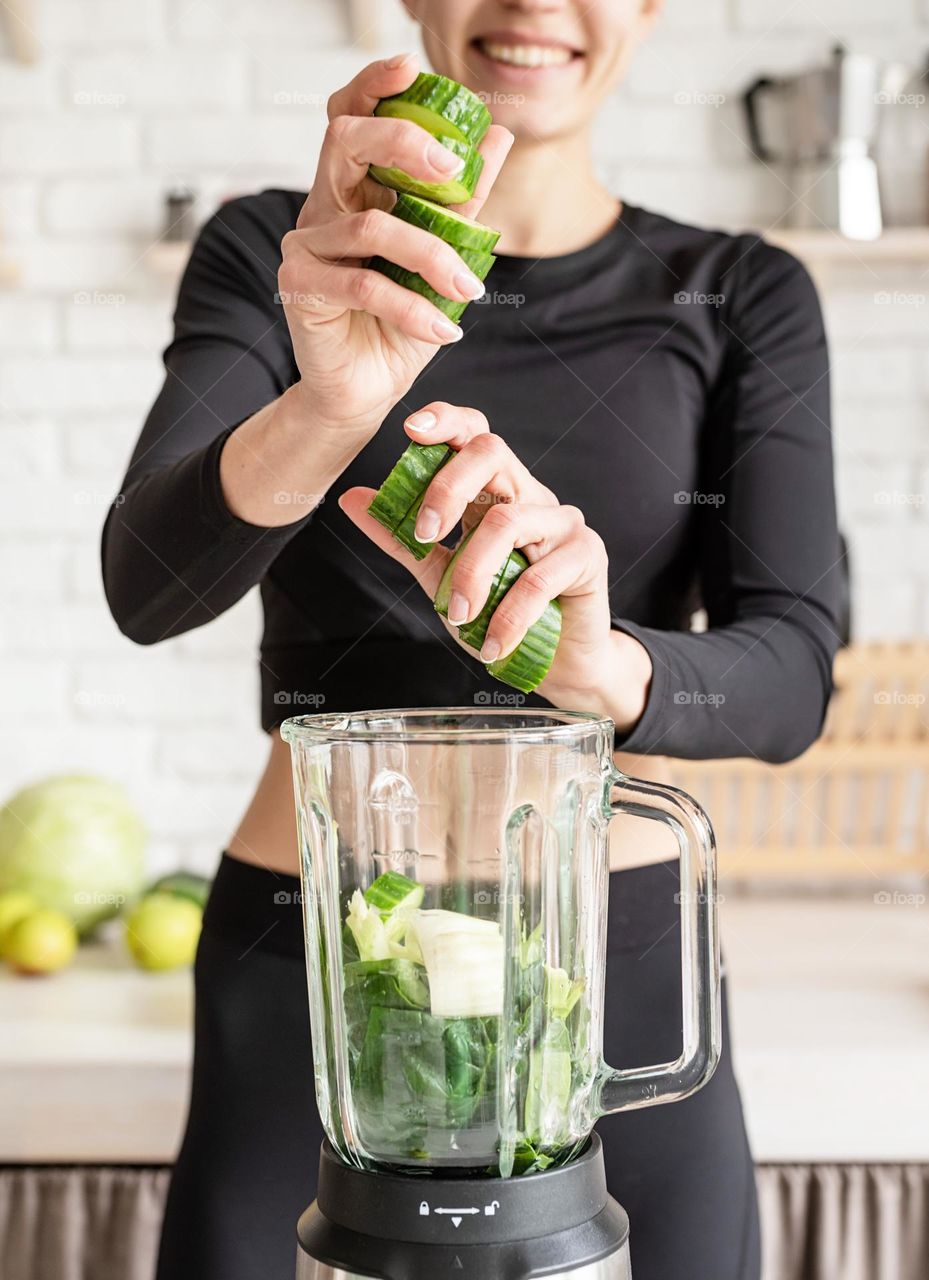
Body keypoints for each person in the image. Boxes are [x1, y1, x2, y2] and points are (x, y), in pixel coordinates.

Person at [102, 2, 840, 1277]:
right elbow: (149, 584)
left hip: (616, 960)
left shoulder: (737, 292)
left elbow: (789, 671)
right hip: (307, 958)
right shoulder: (285, 257)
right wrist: (332, 399)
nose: (533, 6)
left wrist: (607, 669)